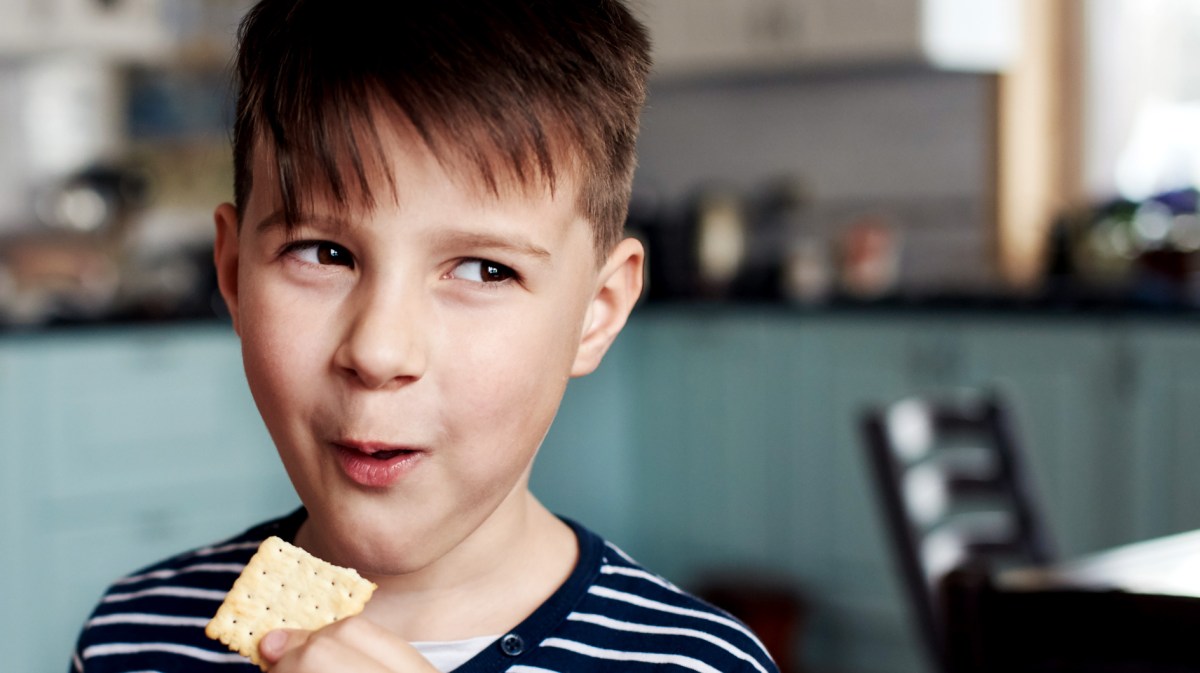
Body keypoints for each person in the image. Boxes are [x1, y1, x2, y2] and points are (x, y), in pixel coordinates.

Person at [70, 1, 780, 672]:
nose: (378, 352)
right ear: (232, 272)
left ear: (595, 312)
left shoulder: (699, 662)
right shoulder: (130, 638)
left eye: (483, 268)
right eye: (324, 253)